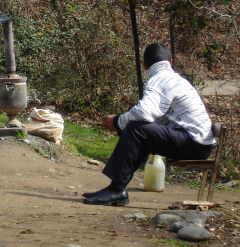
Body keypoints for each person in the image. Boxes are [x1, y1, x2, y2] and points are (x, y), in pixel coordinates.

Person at [84, 43, 215, 205]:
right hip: (199, 144)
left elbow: (143, 113)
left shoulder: (159, 80)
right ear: (171, 62)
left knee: (135, 129)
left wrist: (117, 121)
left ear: (145, 65)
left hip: (193, 143)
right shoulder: (176, 80)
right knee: (138, 130)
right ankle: (115, 188)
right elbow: (152, 117)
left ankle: (116, 190)